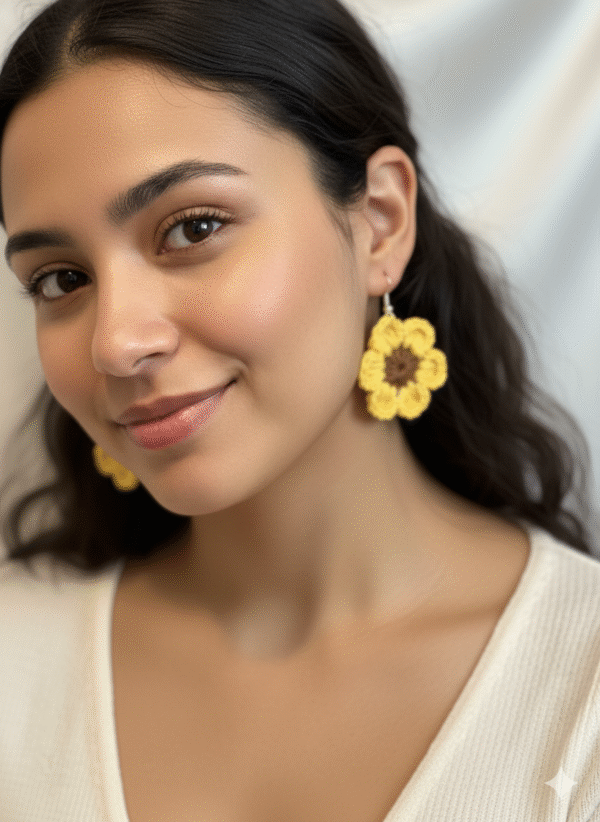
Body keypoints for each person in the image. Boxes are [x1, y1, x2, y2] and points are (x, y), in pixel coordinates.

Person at [0, 0, 597, 819]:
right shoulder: (15, 655)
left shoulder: (582, 693)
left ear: (381, 223)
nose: (116, 342)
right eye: (61, 280)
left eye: (193, 228)